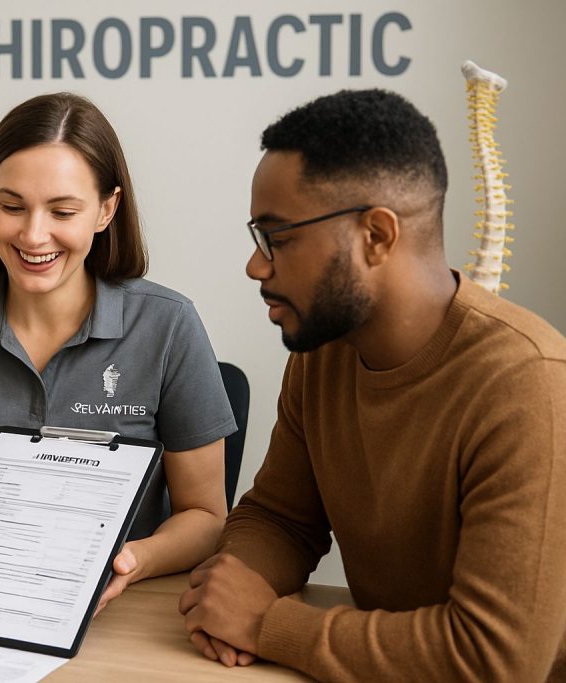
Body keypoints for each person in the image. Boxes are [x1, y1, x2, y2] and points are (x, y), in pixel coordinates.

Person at [179, 89, 566, 681]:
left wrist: (266, 625)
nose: (256, 266)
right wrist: (231, 587)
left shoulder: (528, 385)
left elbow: (495, 660)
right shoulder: (325, 353)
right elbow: (282, 518)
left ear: (377, 236)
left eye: (277, 238)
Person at [0, 92, 236, 610]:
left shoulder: (169, 324)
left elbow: (206, 517)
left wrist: (134, 560)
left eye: (62, 210)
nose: (33, 234)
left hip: (123, 608)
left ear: (106, 209)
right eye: (11, 206)